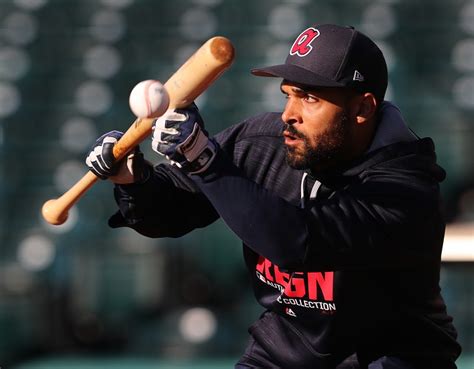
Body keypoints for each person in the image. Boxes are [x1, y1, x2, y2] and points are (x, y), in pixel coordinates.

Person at [85, 24, 462, 369]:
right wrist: (133, 179)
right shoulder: (263, 142)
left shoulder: (405, 188)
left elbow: (299, 243)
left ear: (362, 108)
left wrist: (205, 162)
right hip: (283, 355)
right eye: (288, 95)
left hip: (390, 358)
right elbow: (171, 212)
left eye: (309, 99)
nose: (288, 115)